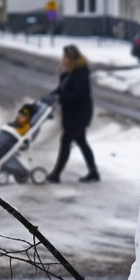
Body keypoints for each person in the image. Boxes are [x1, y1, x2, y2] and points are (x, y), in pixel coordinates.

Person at [46, 45, 99, 183]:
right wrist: (50, 97)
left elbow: (76, 94)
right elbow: (61, 89)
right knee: (81, 142)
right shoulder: (69, 72)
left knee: (65, 142)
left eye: (65, 57)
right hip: (72, 114)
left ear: (71, 58)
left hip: (79, 115)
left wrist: (60, 99)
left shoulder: (80, 73)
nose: (63, 59)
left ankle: (56, 174)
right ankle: (94, 172)